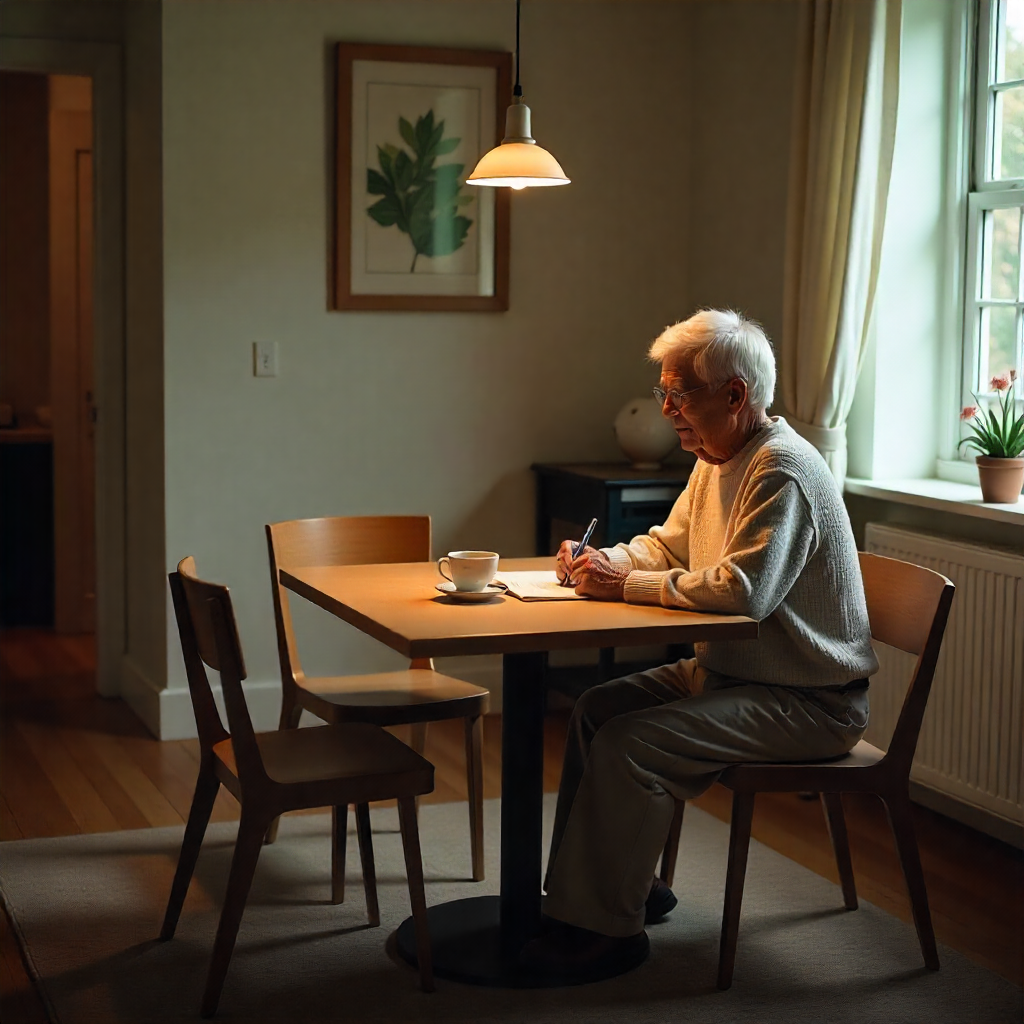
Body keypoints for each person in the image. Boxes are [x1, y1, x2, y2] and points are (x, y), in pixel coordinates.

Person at [522, 308, 878, 977]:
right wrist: (608, 561)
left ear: (734, 396)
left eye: (677, 395)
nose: (666, 410)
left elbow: (744, 592)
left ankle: (607, 930)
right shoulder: (719, 455)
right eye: (664, 394)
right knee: (599, 710)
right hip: (733, 677)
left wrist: (620, 588)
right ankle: (611, 884)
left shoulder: (782, 468)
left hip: (809, 701)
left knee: (634, 743)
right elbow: (667, 544)